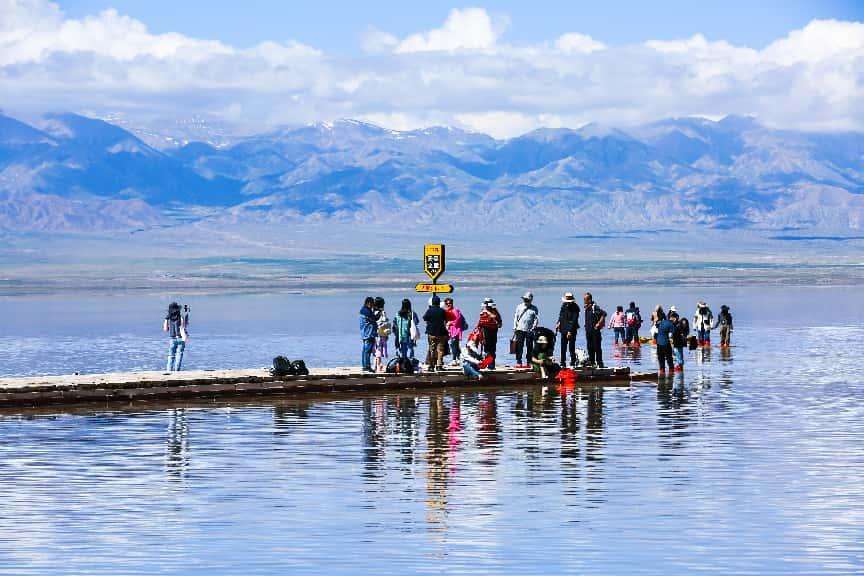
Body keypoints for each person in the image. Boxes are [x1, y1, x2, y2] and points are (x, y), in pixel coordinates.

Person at [512, 291, 539, 368]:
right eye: (525, 299)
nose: (526, 301)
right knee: (519, 346)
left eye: (527, 300)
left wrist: (534, 327)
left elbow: (536, 319)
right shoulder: (519, 306)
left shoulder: (534, 308)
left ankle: (529, 362)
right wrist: (514, 327)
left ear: (530, 300)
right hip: (519, 329)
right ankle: (519, 361)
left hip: (529, 330)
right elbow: (515, 317)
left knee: (529, 346)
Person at [423, 295, 449, 372]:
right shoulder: (442, 311)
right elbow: (445, 319)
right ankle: (439, 365)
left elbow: (425, 318)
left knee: (432, 349)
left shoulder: (429, 310)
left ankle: (431, 366)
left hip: (431, 333)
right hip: (441, 332)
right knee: (440, 350)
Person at [556, 292, 580, 367]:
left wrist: (570, 331)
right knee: (563, 347)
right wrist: (558, 323)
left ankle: (573, 362)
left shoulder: (575, 307)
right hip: (563, 328)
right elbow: (561, 315)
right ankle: (562, 362)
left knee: (571, 347)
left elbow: (574, 320)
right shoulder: (564, 305)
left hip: (571, 330)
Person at [583, 293, 607, 368]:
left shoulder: (595, 307)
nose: (584, 300)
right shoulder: (587, 308)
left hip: (595, 331)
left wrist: (599, 323)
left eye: (585, 299)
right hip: (588, 331)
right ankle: (592, 362)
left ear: (589, 299)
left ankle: (600, 363)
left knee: (597, 347)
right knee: (590, 347)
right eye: (584, 299)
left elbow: (604, 314)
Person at [478, 298, 502, 369]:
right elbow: (481, 322)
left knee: (492, 350)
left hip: (493, 333)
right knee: (486, 350)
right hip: (485, 332)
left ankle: (491, 365)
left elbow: (496, 318)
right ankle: (486, 364)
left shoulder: (494, 311)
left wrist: (488, 312)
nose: (486, 307)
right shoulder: (483, 311)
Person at [164, 301, 188, 372]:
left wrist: (166, 319)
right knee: (179, 355)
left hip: (172, 339)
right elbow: (184, 326)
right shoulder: (181, 317)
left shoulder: (169, 318)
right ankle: (177, 370)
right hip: (181, 338)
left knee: (171, 355)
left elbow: (165, 329)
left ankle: (169, 370)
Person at [443, 297, 467, 366]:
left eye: (449, 303)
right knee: (455, 345)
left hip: (456, 331)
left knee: (453, 345)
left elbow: (457, 321)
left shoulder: (455, 310)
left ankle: (454, 360)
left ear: (452, 303)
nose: (448, 305)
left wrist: (449, 323)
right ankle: (459, 359)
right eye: (447, 303)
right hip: (451, 331)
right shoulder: (448, 311)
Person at [359, 296, 377, 372]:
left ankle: (364, 366)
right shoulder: (367, 311)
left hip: (364, 334)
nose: (373, 305)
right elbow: (374, 319)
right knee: (367, 351)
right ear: (369, 303)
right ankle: (367, 366)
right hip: (369, 334)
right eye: (372, 304)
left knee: (364, 350)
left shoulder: (363, 310)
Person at [655, 310, 675, 375]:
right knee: (669, 357)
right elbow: (671, 335)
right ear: (671, 317)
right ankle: (671, 371)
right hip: (666, 343)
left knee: (661, 358)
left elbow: (656, 330)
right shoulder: (670, 324)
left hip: (659, 343)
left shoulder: (660, 322)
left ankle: (662, 370)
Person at [373, 297, 390, 373]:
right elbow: (385, 322)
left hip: (374, 334)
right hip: (381, 334)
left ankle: (375, 365)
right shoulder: (382, 313)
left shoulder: (373, 312)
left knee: (376, 349)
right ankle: (379, 365)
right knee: (379, 349)